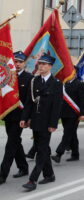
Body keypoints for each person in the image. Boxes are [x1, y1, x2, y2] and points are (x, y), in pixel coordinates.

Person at [20, 53, 63, 191]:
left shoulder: (56, 83)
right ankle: (49, 174)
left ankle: (32, 180)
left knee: (41, 150)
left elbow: (57, 106)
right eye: (40, 64)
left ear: (50, 66)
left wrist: (53, 124)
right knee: (41, 148)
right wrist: (24, 118)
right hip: (35, 121)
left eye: (44, 64)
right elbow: (28, 103)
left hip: (47, 122)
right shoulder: (34, 81)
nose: (41, 66)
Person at [0, 51, 32, 185]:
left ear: (25, 63)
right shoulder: (7, 76)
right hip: (9, 115)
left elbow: (30, 101)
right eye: (16, 61)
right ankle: (23, 167)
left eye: (20, 62)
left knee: (11, 144)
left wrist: (28, 118)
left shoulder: (29, 78)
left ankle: (2, 174)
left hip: (20, 117)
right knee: (15, 142)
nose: (18, 64)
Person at [51, 68, 84, 164]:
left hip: (74, 114)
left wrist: (83, 114)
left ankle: (59, 154)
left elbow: (83, 100)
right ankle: (75, 154)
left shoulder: (79, 84)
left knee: (67, 134)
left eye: (72, 72)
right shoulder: (64, 84)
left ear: (75, 73)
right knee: (72, 134)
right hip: (64, 113)